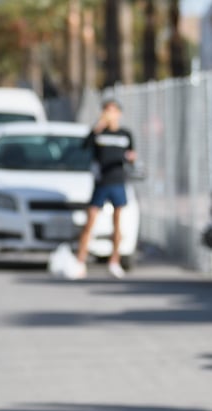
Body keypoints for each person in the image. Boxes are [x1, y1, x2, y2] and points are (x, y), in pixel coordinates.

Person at [71, 98, 136, 279]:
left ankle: (114, 261)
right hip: (101, 183)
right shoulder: (98, 132)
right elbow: (85, 146)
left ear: (119, 113)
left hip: (118, 182)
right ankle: (80, 261)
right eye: (106, 110)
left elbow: (132, 155)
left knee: (117, 222)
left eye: (112, 111)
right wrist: (98, 127)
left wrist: (132, 158)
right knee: (90, 220)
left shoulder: (125, 134)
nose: (109, 114)